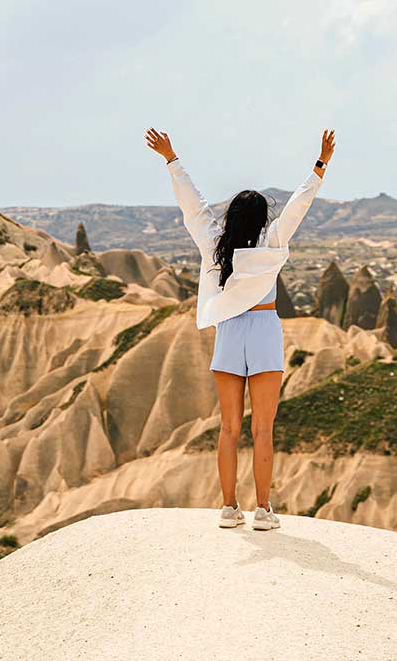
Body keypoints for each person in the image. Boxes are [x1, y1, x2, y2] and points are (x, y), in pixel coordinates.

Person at [145, 127, 335, 530]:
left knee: (228, 429)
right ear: (262, 217)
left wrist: (171, 159)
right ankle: (264, 510)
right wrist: (320, 164)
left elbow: (192, 207)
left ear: (231, 217)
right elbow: (299, 206)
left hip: (230, 332)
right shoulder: (273, 241)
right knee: (262, 428)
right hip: (264, 329)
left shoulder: (215, 243)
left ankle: (229, 508)